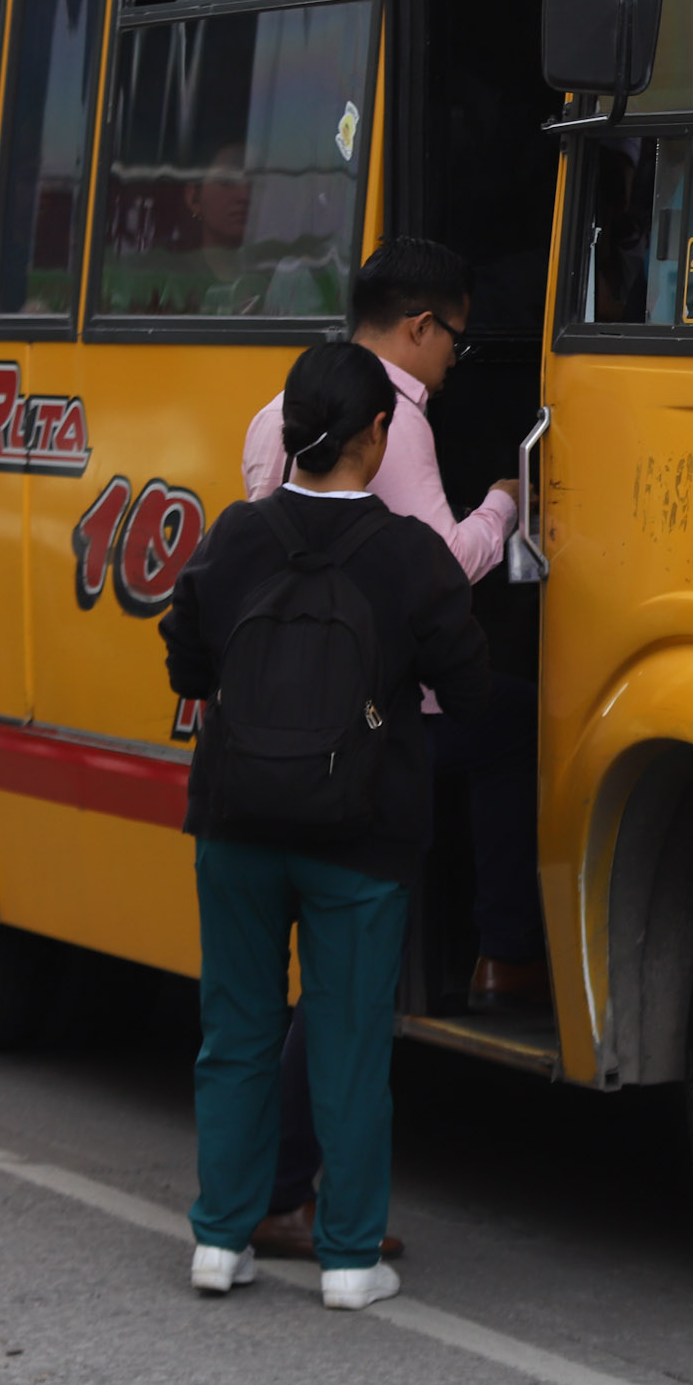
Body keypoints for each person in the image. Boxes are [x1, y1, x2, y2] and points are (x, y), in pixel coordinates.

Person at [166, 341, 491, 1312]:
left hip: (235, 818)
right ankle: (349, 1258)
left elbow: (186, 663)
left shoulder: (236, 534)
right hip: (362, 833)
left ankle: (219, 1242)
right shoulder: (409, 556)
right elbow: (470, 690)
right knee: (348, 1042)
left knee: (237, 1031)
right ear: (378, 435)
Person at [237, 237, 544, 1264]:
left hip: (279, 726)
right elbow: (435, 573)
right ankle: (504, 946)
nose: (458, 356)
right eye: (456, 335)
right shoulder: (391, 423)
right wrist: (506, 501)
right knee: (342, 979)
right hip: (373, 731)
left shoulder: (275, 409)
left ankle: (265, 1194)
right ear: (419, 326)